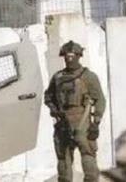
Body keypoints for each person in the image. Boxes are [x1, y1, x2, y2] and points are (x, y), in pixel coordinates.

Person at [44, 40, 106, 182]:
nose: (69, 59)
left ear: (78, 56)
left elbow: (100, 100)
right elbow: (48, 96)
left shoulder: (88, 76)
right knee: (63, 161)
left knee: (88, 158)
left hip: (82, 123)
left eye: (72, 56)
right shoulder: (58, 77)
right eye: (67, 56)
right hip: (62, 123)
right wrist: (54, 110)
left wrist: (96, 123)